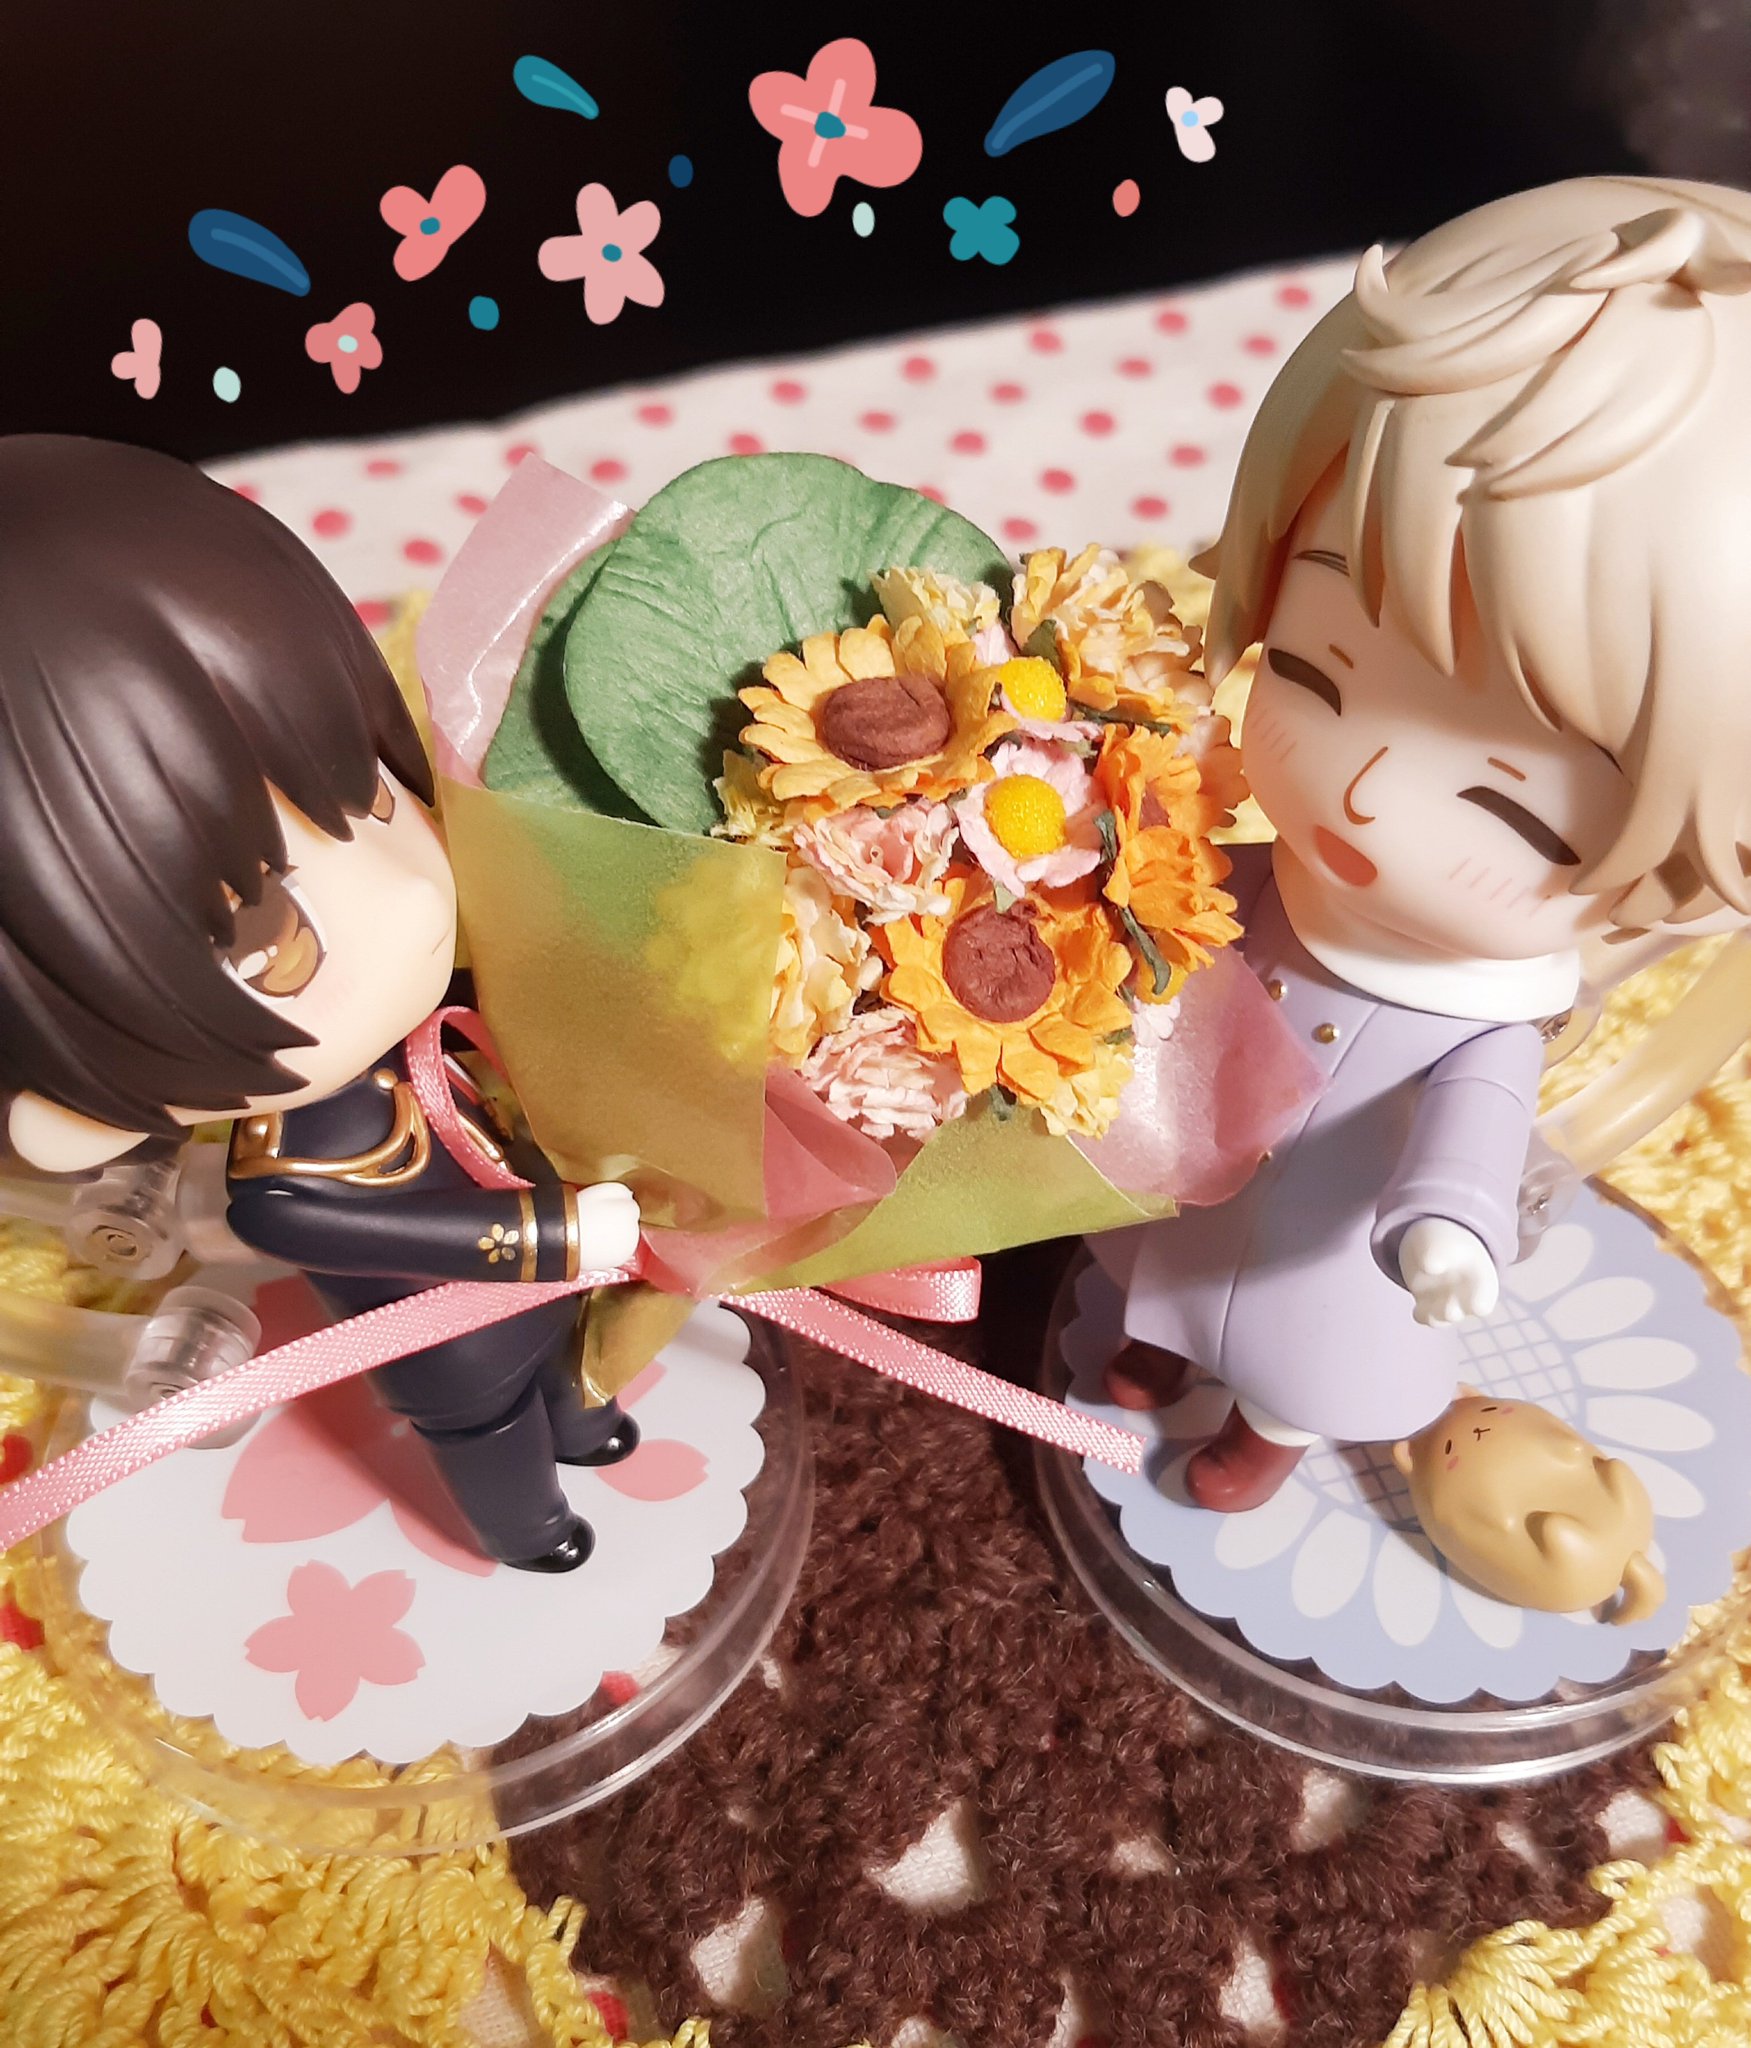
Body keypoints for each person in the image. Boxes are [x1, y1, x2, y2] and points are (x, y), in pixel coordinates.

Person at [1099, 176, 1751, 1510]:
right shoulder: (1278, 876)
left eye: (1511, 808)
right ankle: (1149, 1345)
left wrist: (1446, 1226)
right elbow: (1181, 909)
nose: (1367, 793)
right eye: (1313, 674)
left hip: (1332, 1242)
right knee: (1148, 1259)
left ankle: (1258, 1441)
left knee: (1297, 1353)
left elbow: (1474, 1122)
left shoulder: (1486, 1019)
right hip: (1182, 1167)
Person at [0, 434, 640, 1571]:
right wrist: (557, 1231)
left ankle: (586, 1424)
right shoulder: (282, 1188)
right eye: (270, 939)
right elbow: (406, 1233)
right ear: (71, 1119)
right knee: (492, 1427)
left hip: (562, 1274)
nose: (410, 897)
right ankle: (529, 1527)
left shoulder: (425, 1019)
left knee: (574, 1367)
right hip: (451, 1332)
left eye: (376, 790)